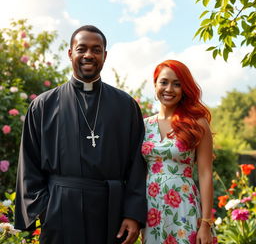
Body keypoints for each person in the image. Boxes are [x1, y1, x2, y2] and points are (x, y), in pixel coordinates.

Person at [14, 25, 147, 244]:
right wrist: (44, 210)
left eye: (96, 50)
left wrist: (133, 214)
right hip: (60, 210)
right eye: (82, 48)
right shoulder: (44, 106)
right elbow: (28, 164)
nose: (88, 55)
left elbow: (137, 165)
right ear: (70, 53)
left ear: (105, 55)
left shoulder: (126, 106)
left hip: (111, 212)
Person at [141, 60, 217, 244]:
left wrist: (205, 223)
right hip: (151, 209)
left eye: (177, 84)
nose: (169, 89)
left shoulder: (196, 123)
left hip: (183, 206)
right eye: (164, 82)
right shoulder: (143, 125)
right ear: (155, 84)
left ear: (185, 89)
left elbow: (205, 173)